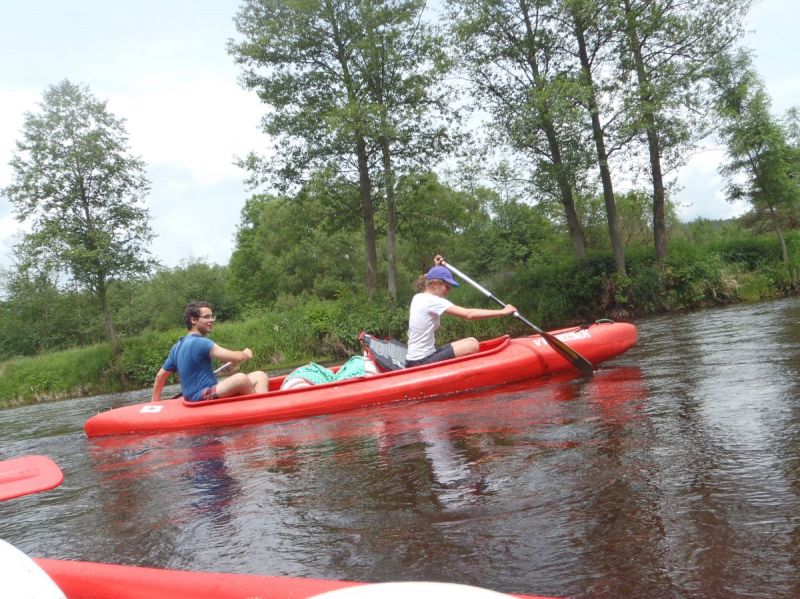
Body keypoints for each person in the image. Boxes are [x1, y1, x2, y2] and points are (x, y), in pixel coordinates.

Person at [404, 256, 517, 368]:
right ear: (434, 284)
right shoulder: (433, 301)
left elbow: (432, 279)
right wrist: (502, 312)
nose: (448, 291)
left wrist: (437, 268)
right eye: (447, 287)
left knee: (472, 339)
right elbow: (469, 314)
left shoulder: (418, 297)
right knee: (472, 345)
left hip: (419, 358)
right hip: (420, 362)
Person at [151, 301, 269, 402]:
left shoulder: (177, 346)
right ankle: (261, 407)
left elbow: (160, 376)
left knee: (260, 375)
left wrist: (154, 404)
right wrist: (245, 354)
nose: (211, 320)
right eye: (207, 317)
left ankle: (259, 402)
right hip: (200, 396)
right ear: (193, 320)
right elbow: (237, 358)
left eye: (212, 316)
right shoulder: (201, 343)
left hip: (205, 391)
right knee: (240, 379)